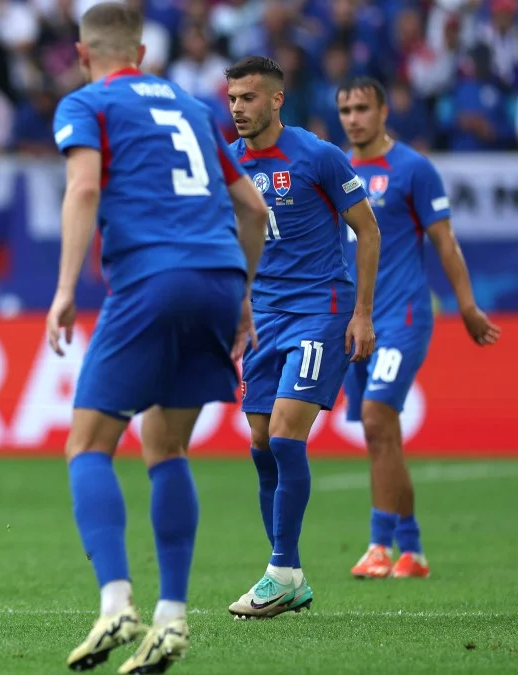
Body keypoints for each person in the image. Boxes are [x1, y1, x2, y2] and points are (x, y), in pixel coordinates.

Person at [46, 4, 268, 672]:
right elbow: (253, 208)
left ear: (85, 55)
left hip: (152, 275)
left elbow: (83, 188)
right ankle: (172, 616)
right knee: (166, 444)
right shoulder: (195, 105)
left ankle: (117, 601)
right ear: (141, 52)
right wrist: (245, 296)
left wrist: (63, 290)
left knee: (88, 443)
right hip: (219, 277)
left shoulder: (87, 103)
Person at [224, 56, 381, 618]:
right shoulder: (232, 164)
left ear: (275, 100)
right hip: (263, 318)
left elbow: (367, 229)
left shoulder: (318, 155)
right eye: (232, 97)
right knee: (262, 444)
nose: (238, 107)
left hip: (321, 309)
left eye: (248, 97)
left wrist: (362, 314)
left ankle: (279, 571)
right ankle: (288, 573)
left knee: (288, 436)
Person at [336, 76, 501, 580]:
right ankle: (413, 549)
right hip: (353, 323)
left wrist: (468, 306)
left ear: (384, 111)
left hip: (404, 315)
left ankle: (379, 547)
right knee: (380, 435)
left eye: (362, 108)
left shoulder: (412, 168)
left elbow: (446, 243)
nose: (353, 118)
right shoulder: (335, 169)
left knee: (377, 416)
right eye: (344, 110)